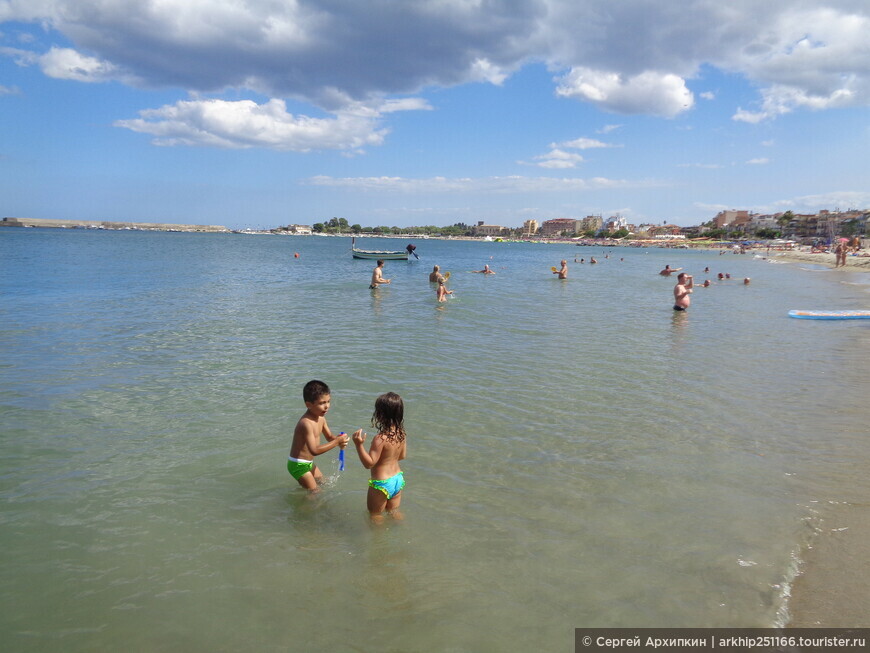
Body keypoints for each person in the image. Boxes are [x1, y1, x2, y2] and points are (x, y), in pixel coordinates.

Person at [352, 392, 407, 523]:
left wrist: (358, 445)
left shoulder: (380, 438)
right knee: (394, 512)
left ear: (380, 415)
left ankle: (379, 543)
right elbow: (402, 456)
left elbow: (369, 463)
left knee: (375, 516)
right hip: (397, 479)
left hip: (382, 483)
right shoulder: (402, 433)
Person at [288, 380, 349, 493]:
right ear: (308, 405)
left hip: (308, 463)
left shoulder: (321, 418)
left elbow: (330, 437)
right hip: (298, 465)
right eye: (322, 403)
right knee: (315, 492)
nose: (326, 406)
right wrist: (337, 442)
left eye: (328, 401)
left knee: (324, 482)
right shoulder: (306, 423)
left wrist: (340, 439)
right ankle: (304, 510)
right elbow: (314, 450)